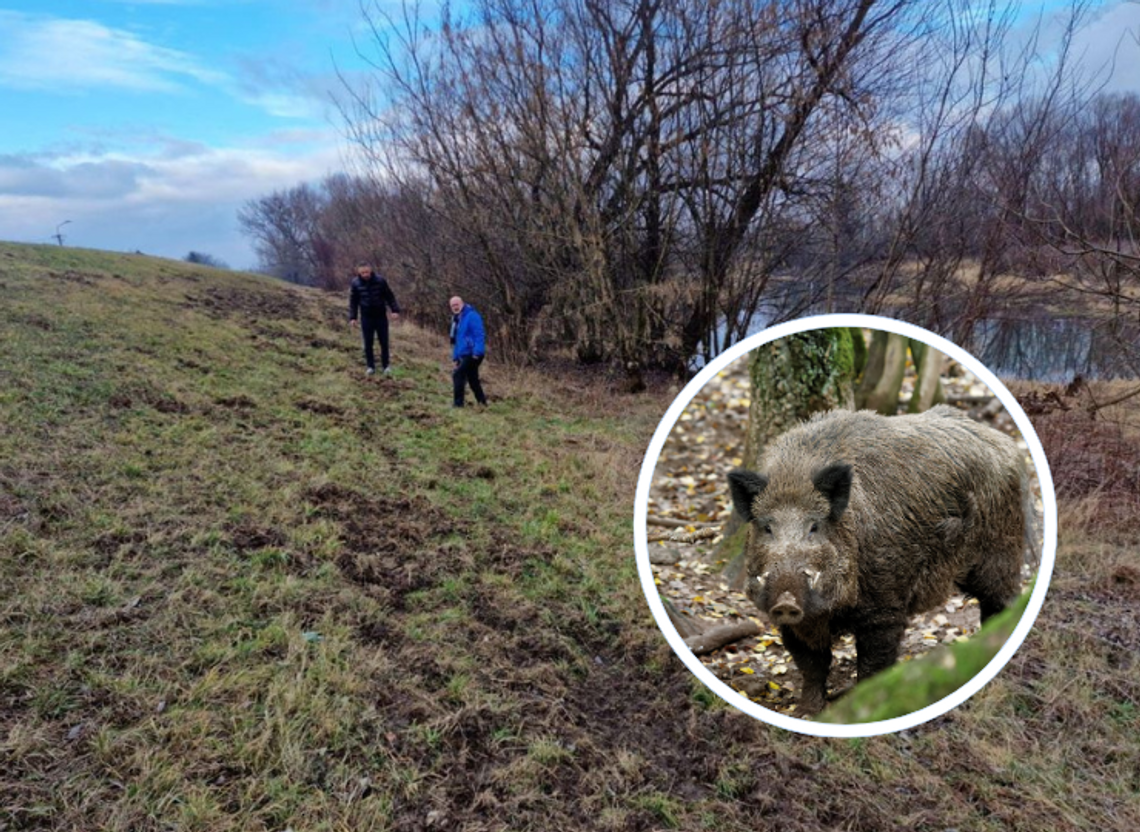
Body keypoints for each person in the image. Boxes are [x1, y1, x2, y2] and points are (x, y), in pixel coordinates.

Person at [348, 261, 400, 376]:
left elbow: (389, 296)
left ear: (370, 270)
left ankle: (386, 366)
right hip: (366, 317)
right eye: (362, 272)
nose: (365, 274)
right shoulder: (355, 283)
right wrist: (353, 317)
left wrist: (395, 310)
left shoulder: (380, 281)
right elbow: (353, 301)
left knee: (384, 342)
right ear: (358, 272)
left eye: (367, 272)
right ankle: (370, 366)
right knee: (368, 343)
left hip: (380, 316)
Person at [449, 296, 487, 407]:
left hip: (473, 353)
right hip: (464, 353)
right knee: (472, 379)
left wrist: (477, 352)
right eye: (452, 305)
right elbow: (457, 341)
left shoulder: (472, 316)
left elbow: (479, 335)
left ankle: (458, 404)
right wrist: (456, 357)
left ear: (462, 303)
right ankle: (482, 403)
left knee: (458, 374)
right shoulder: (456, 320)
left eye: (457, 304)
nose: (455, 307)